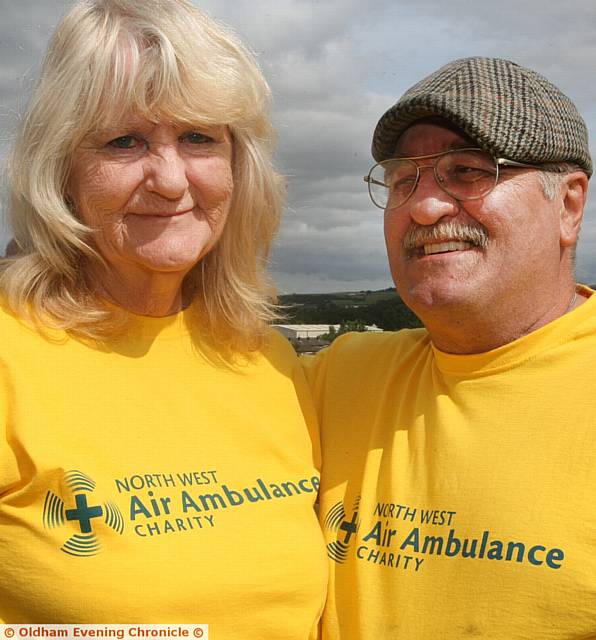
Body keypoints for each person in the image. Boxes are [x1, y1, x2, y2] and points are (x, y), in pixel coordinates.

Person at [0, 1, 326, 635]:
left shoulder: (268, 360)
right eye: (125, 141)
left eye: (199, 138)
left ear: (238, 167)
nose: (171, 179)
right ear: (62, 171)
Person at [304, 57, 596, 638]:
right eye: (402, 179)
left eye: (468, 170)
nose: (424, 206)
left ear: (567, 206)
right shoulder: (335, 380)